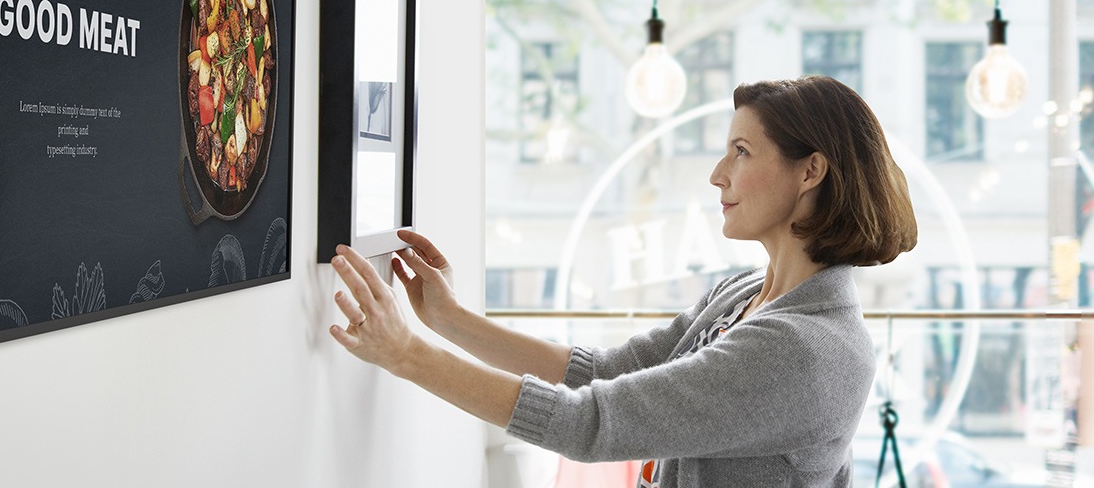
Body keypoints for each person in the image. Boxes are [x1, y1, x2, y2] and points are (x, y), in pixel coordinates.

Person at [329, 76, 918, 487]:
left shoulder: (806, 349)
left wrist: (408, 354)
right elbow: (606, 373)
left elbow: (589, 423)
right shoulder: (744, 293)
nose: (717, 175)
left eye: (740, 151)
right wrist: (450, 321)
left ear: (811, 170)